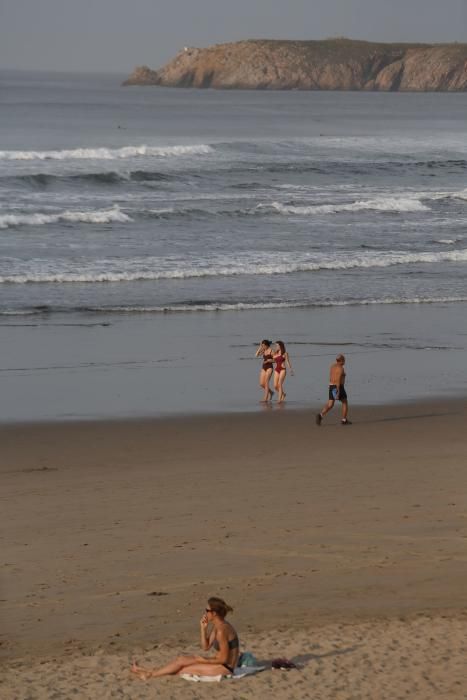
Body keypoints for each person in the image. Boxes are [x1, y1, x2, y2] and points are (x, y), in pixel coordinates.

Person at [130, 597, 240, 680]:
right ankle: (149, 672)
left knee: (183, 669)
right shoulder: (218, 626)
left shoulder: (222, 630)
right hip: (216, 662)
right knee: (181, 659)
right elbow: (205, 647)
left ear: (214, 613)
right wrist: (203, 628)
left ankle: (149, 675)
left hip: (225, 668)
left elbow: (224, 659)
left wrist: (201, 660)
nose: (205, 613)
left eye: (207, 610)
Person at [316, 354, 351, 425]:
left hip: (331, 386)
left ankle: (321, 415)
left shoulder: (332, 366)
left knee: (330, 404)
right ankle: (344, 420)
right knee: (344, 402)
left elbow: (332, 376)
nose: (344, 362)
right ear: (341, 361)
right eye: (344, 360)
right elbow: (338, 380)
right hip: (338, 387)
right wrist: (337, 392)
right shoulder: (341, 368)